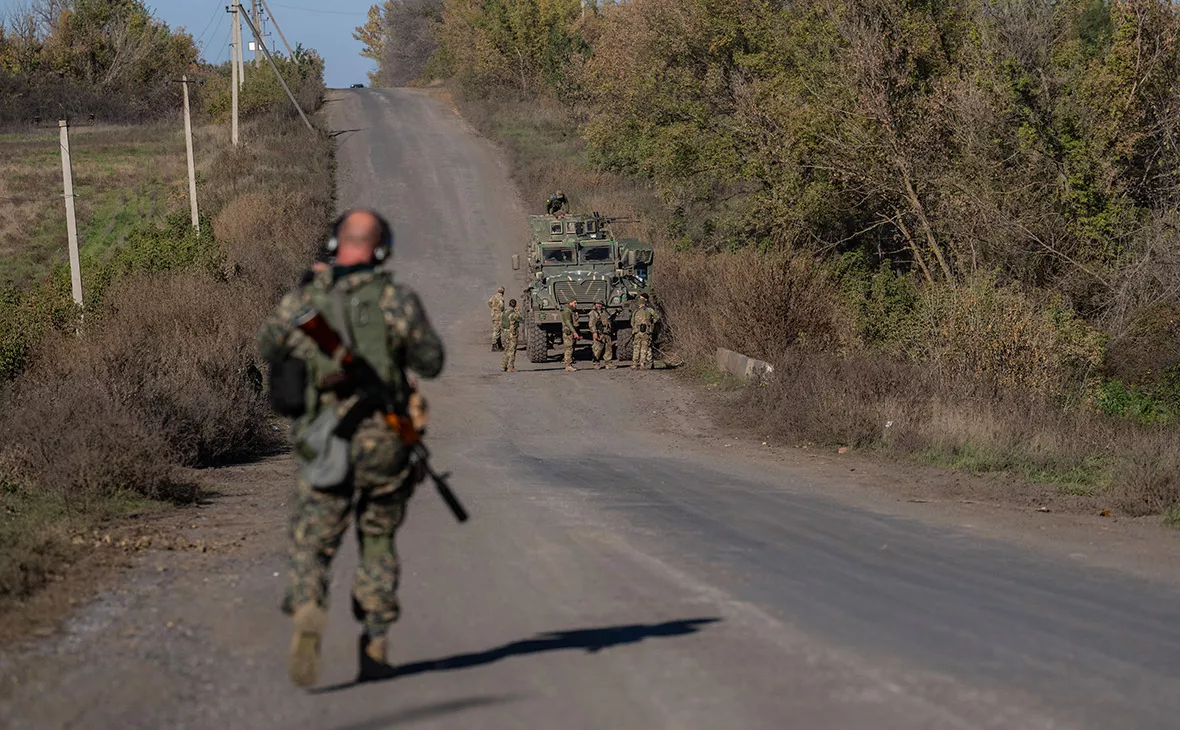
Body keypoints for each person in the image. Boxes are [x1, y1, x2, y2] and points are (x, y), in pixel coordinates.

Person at [256, 209, 445, 688]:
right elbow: (432, 360)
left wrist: (307, 289)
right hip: (386, 439)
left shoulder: (307, 299)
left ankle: (308, 613)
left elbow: (268, 343)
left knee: (313, 541)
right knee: (377, 540)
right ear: (382, 250)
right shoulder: (396, 300)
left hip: (326, 438)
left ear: (336, 244)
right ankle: (376, 638)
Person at [631, 293, 660, 370]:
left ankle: (635, 364)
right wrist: (650, 323)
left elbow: (632, 322)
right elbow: (657, 317)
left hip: (637, 332)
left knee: (637, 348)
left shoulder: (636, 311)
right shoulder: (649, 310)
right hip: (645, 331)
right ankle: (642, 364)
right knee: (645, 348)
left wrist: (635, 327)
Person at [588, 300, 616, 370]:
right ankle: (596, 363)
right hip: (599, 332)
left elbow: (608, 319)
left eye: (600, 304)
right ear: (595, 304)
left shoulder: (604, 311)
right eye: (597, 304)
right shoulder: (592, 313)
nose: (599, 305)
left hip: (606, 332)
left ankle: (608, 363)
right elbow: (591, 324)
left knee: (608, 349)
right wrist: (594, 332)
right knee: (597, 349)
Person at [561, 298, 582, 372]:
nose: (576, 304)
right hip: (568, 333)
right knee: (568, 348)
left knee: (571, 348)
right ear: (570, 303)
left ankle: (569, 363)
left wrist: (578, 333)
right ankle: (568, 365)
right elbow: (568, 322)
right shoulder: (567, 311)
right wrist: (574, 332)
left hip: (571, 332)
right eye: (574, 303)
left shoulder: (572, 311)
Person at [501, 299, 521, 372]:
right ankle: (510, 367)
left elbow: (501, 323)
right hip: (512, 333)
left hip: (506, 332)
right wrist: (518, 311)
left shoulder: (504, 312)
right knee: (512, 350)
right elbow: (521, 319)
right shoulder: (514, 314)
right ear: (515, 305)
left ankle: (503, 366)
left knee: (506, 349)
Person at [488, 287, 505, 352]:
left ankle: (499, 346)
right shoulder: (501, 298)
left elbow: (489, 302)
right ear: (503, 292)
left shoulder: (494, 296)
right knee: (496, 331)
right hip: (498, 316)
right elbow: (502, 306)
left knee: (498, 330)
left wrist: (493, 308)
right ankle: (494, 346)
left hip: (493, 315)